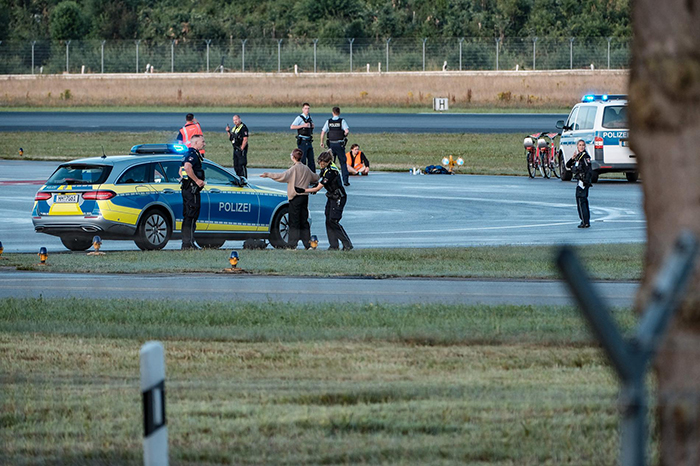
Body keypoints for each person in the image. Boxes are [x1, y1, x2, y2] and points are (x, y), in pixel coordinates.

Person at [260, 148, 319, 249]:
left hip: (295, 198)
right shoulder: (306, 168)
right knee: (304, 221)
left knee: (294, 221)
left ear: (293, 157)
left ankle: (292, 244)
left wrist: (268, 175)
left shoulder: (293, 169)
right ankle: (307, 243)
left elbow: (282, 176)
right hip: (304, 198)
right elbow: (315, 177)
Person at [298, 151, 353, 250]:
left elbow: (318, 188)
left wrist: (304, 190)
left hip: (339, 198)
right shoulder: (326, 168)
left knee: (333, 221)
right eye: (319, 163)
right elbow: (319, 180)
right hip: (331, 197)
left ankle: (347, 244)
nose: (320, 165)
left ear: (328, 162)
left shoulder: (331, 172)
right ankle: (333, 245)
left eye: (322, 163)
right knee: (328, 220)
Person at [180, 134, 206, 249]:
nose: (204, 144)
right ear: (195, 143)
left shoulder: (188, 154)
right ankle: (188, 243)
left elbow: (180, 171)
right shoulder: (192, 155)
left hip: (187, 188)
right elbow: (187, 167)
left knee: (189, 216)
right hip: (191, 190)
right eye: (202, 141)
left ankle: (188, 241)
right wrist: (196, 180)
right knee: (191, 216)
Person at [320, 107, 350, 186]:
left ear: (333, 113)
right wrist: (343, 134)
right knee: (343, 162)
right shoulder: (342, 121)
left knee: (331, 162)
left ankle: (329, 178)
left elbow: (323, 132)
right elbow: (346, 131)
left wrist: (321, 142)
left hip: (331, 144)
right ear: (339, 113)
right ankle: (345, 180)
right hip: (339, 144)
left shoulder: (329, 121)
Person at [566, 139, 593, 228]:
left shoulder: (585, 157)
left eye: (582, 145)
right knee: (580, 201)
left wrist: (586, 181)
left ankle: (585, 221)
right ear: (577, 146)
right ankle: (584, 220)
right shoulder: (578, 156)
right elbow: (568, 165)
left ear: (585, 146)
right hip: (579, 181)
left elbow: (589, 170)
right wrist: (572, 158)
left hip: (583, 182)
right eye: (579, 145)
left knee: (582, 201)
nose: (581, 147)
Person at [290, 102, 316, 172]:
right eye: (305, 108)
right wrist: (302, 126)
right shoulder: (299, 118)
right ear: (302, 109)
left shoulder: (309, 118)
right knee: (303, 159)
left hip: (309, 140)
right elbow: (292, 126)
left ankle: (312, 176)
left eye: (308, 109)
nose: (307, 110)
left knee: (311, 160)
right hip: (302, 141)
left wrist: (312, 126)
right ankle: (302, 175)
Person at [226, 114, 249, 178]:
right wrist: (228, 131)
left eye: (236, 120)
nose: (235, 121)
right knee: (236, 165)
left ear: (239, 119)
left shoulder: (243, 128)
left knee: (242, 164)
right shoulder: (234, 128)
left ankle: (244, 178)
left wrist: (242, 148)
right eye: (234, 120)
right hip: (235, 149)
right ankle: (238, 177)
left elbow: (245, 139)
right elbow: (231, 138)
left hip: (240, 149)